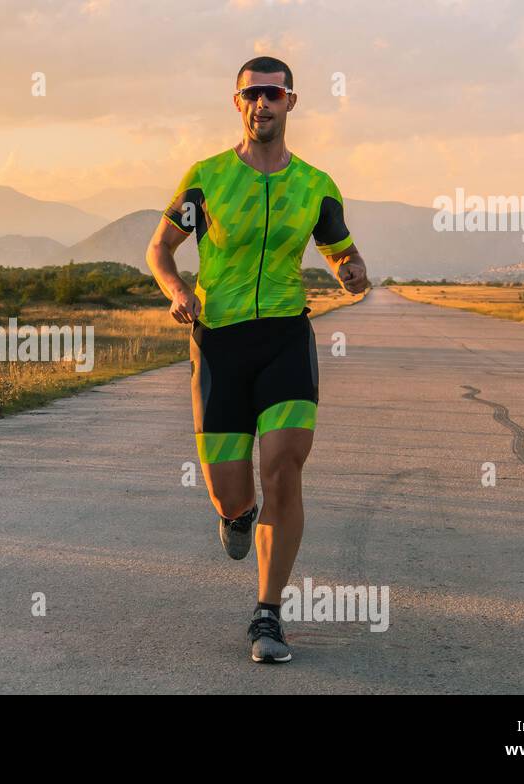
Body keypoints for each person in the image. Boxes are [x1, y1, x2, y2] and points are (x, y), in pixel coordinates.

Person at [145, 56, 370, 663]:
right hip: (218, 341)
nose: (261, 104)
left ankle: (267, 615)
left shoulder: (316, 185)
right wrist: (178, 291)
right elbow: (161, 249)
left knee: (283, 468)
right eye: (251, 95)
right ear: (237, 101)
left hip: (283, 338)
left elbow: (341, 251)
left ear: (291, 102)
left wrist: (352, 273)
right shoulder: (207, 178)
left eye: (273, 94)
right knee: (230, 492)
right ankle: (237, 516)